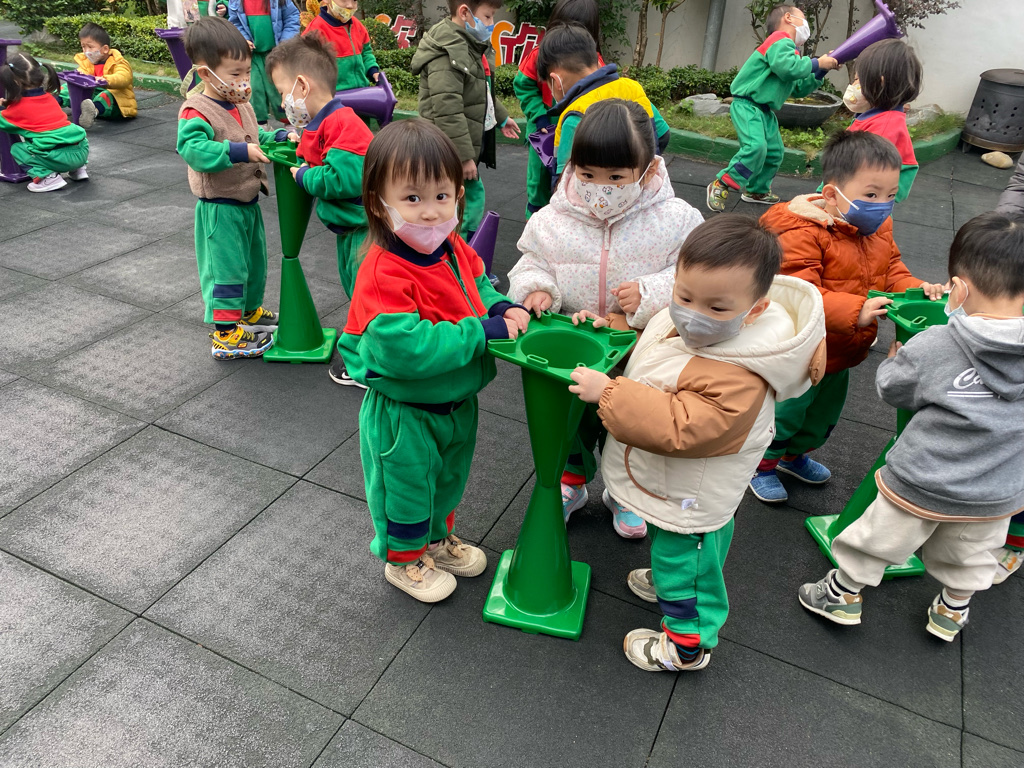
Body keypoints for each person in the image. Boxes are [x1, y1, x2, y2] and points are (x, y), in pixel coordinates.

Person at [568, 215, 826, 671]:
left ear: (756, 310)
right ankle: (671, 582)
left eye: (717, 307)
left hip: (693, 496)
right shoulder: (692, 329)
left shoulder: (743, 374)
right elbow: (656, 364)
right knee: (676, 551)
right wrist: (608, 333)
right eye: (684, 297)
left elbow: (681, 425)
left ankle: (687, 646)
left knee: (689, 565)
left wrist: (608, 392)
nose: (693, 313)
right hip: (675, 484)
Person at [799, 211, 1024, 642]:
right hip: (997, 491)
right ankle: (951, 611)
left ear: (959, 289)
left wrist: (895, 359)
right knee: (970, 555)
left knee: (878, 538)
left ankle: (842, 594)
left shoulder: (938, 343)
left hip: (923, 480)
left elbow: (894, 389)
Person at [338, 119, 531, 602]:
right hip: (406, 410)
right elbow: (405, 349)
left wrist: (499, 307)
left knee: (447, 479)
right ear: (378, 203)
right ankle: (404, 560)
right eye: (412, 198)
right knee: (406, 489)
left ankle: (436, 542)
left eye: (442, 196)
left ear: (458, 196)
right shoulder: (383, 270)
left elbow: (478, 285)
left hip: (455, 399)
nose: (430, 212)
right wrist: (478, 331)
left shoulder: (451, 248)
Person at [509, 99, 704, 537]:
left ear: (647, 171)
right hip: (572, 346)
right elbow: (530, 261)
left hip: (636, 352)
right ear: (573, 166)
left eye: (616, 177)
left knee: (630, 427)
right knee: (570, 424)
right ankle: (572, 482)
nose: (601, 188)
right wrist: (537, 288)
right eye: (588, 174)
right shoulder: (551, 219)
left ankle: (625, 493)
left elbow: (697, 278)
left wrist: (649, 294)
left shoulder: (676, 220)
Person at [749, 131, 946, 504]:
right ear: (831, 194)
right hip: (802, 352)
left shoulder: (877, 228)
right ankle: (763, 464)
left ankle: (793, 457)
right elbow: (799, 295)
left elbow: (891, 269)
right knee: (786, 412)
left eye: (890, 196)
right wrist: (856, 310)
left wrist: (918, 289)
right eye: (871, 195)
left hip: (842, 347)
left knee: (821, 415)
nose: (882, 205)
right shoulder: (801, 232)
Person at [266, 32, 374, 387]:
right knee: (359, 294)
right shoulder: (328, 121)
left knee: (367, 298)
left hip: (366, 233)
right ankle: (370, 357)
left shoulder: (344, 124)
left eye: (283, 91)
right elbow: (317, 149)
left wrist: (305, 176)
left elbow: (342, 178)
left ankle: (368, 366)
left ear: (302, 86)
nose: (283, 101)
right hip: (353, 228)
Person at [177, 17, 284, 359]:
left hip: (246, 202)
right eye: (235, 73)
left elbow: (253, 135)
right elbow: (193, 150)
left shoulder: (240, 104)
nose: (244, 80)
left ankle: (248, 312)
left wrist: (278, 137)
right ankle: (224, 335)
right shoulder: (196, 111)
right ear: (206, 73)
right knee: (226, 269)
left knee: (253, 263)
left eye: (247, 72)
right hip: (220, 208)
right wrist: (238, 152)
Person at [707, 4, 839, 212]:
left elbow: (798, 88)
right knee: (755, 147)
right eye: (803, 18)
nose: (806, 25)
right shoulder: (779, 40)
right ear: (788, 18)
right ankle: (722, 182)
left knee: (774, 152)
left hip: (764, 110)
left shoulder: (789, 52)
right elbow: (788, 69)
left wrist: (821, 71)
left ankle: (757, 190)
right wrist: (817, 63)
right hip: (747, 105)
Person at [412, 0, 521, 238]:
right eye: (488, 16)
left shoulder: (468, 44)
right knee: (463, 201)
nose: (491, 23)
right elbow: (447, 109)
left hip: (457, 146)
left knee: (466, 198)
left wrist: (501, 117)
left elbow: (479, 91)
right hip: (447, 149)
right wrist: (463, 157)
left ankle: (462, 248)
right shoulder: (448, 52)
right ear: (464, 12)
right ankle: (460, 251)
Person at [537, 23, 669, 177]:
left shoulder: (573, 116)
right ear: (597, 62)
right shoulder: (632, 88)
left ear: (556, 81)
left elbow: (563, 176)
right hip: (641, 184)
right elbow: (663, 134)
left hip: (594, 192)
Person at [514, 0, 603, 218]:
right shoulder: (540, 55)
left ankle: (567, 219)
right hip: (544, 131)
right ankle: (535, 221)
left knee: (572, 176)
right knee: (538, 180)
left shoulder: (595, 62)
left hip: (576, 133)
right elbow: (523, 85)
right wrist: (539, 116)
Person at [840, 39, 922, 202]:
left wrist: (829, 194)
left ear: (879, 83)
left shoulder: (884, 127)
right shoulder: (875, 116)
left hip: (862, 203)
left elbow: (863, 178)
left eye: (857, 80)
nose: (853, 85)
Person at [0, 53, 88, 192]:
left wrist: (3, 108)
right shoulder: (50, 98)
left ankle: (48, 177)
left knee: (17, 149)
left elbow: (4, 123)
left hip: (57, 159)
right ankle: (78, 169)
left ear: (14, 82)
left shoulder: (18, 108)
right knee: (68, 133)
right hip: (81, 153)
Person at [227, 0, 300, 126]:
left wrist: (285, 43)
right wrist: (244, 39)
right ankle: (260, 125)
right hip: (253, 56)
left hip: (276, 54)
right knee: (254, 90)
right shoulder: (236, 2)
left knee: (278, 90)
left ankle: (289, 124)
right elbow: (235, 23)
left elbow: (292, 17)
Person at [59, 22, 137, 129]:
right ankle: (53, 102)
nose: (86, 51)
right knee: (68, 87)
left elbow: (124, 78)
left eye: (90, 47)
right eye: (83, 47)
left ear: (105, 49)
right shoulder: (87, 62)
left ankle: (93, 111)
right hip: (93, 96)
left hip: (118, 104)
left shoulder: (118, 62)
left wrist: (106, 80)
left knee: (106, 95)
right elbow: (82, 74)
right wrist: (77, 77)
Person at [302, 0, 380, 92]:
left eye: (354, 0)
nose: (350, 5)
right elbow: (306, 69)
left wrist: (373, 71)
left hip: (361, 91)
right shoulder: (314, 32)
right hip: (334, 96)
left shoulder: (358, 26)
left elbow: (366, 53)